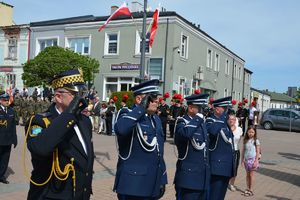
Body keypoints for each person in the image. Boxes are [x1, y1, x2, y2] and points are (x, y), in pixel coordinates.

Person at [24, 69, 94, 199]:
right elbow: (40, 149)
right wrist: (68, 115)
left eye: (82, 93)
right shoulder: (40, 121)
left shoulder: (83, 121)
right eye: (75, 94)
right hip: (52, 194)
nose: (81, 99)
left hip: (79, 193)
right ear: (58, 97)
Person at [114, 79, 167, 200]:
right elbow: (121, 129)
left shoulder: (155, 119)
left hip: (152, 181)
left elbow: (159, 151)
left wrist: (162, 178)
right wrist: (140, 109)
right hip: (133, 184)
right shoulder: (126, 113)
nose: (157, 100)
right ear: (139, 99)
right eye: (153, 97)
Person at [174, 93, 210, 200]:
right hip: (188, 178)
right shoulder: (182, 122)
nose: (202, 111)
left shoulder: (201, 124)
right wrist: (198, 119)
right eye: (200, 108)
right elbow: (185, 134)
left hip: (202, 177)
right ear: (190, 108)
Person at [206, 96, 235, 200]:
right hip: (217, 167)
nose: (227, 111)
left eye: (227, 108)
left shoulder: (224, 123)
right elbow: (212, 132)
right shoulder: (210, 121)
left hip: (226, 167)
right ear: (217, 109)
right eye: (225, 108)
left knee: (220, 196)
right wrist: (223, 118)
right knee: (213, 196)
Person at [0, 92, 17, 184]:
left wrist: (15, 139)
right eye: (4, 100)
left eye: (8, 100)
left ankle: (1, 176)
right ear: (0, 101)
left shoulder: (11, 111)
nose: (7, 102)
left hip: (8, 140)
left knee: (5, 160)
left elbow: (13, 127)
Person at [240, 126, 260, 197]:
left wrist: (256, 161)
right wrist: (242, 160)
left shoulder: (256, 141)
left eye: (252, 132)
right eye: (249, 132)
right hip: (246, 160)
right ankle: (248, 188)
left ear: (255, 133)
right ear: (247, 132)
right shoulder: (245, 140)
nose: (251, 133)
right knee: (247, 175)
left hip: (252, 160)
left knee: (251, 175)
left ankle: (251, 190)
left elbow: (258, 151)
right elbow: (243, 151)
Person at [227, 114, 243, 192]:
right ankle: (225, 183)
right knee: (226, 167)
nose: (231, 120)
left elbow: (238, 141)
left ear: (235, 120)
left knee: (234, 168)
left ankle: (232, 184)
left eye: (233, 119)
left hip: (235, 151)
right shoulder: (225, 128)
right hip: (226, 151)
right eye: (230, 119)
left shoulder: (239, 129)